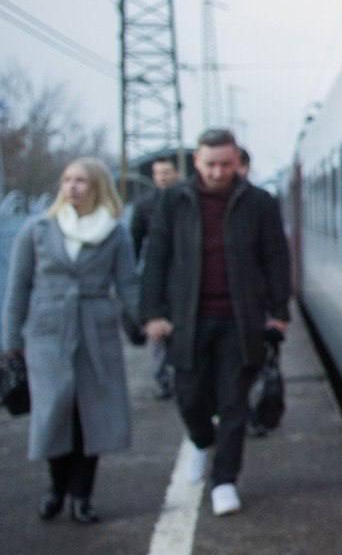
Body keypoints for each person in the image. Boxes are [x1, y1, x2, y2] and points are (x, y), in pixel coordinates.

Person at [140, 128, 291, 516]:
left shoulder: (259, 202)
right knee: (190, 398)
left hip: (241, 320)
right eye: (211, 165)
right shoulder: (175, 201)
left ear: (237, 161)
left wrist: (279, 312)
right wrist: (153, 313)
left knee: (233, 402)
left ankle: (224, 480)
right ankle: (200, 439)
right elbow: (156, 258)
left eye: (226, 164)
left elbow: (276, 258)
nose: (219, 172)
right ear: (196, 162)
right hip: (187, 319)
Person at [2, 158, 139, 524]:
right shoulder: (38, 228)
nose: (72, 187)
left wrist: (150, 320)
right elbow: (18, 288)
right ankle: (55, 489)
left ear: (97, 187)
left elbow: (128, 285)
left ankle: (82, 496)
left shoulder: (114, 231)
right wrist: (10, 341)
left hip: (97, 330)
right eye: (67, 180)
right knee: (54, 412)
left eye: (81, 181)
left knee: (91, 416)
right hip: (47, 333)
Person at [130, 155, 180, 399]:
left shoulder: (187, 199)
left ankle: (180, 375)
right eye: (159, 173)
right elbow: (135, 241)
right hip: (157, 273)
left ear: (176, 174)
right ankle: (162, 380)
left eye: (167, 172)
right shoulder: (144, 205)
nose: (163, 177)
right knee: (158, 328)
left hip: (184, 272)